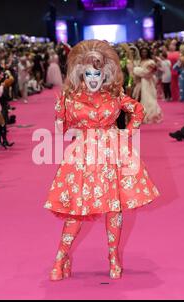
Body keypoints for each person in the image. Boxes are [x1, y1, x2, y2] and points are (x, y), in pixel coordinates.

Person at [44, 40, 160, 281]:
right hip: (84, 157)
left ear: (104, 74)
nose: (93, 79)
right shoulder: (70, 98)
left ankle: (113, 257)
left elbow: (137, 110)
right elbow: (60, 132)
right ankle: (60, 258)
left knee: (114, 208)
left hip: (113, 156)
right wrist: (60, 118)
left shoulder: (114, 95)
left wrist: (128, 132)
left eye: (98, 73)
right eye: (88, 74)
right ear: (81, 74)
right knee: (76, 210)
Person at [133, 47, 163, 124]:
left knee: (149, 99)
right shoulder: (138, 61)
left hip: (148, 83)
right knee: (139, 99)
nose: (144, 53)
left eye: (145, 52)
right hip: (139, 83)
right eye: (142, 52)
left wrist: (135, 70)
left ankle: (151, 116)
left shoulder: (151, 62)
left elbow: (147, 73)